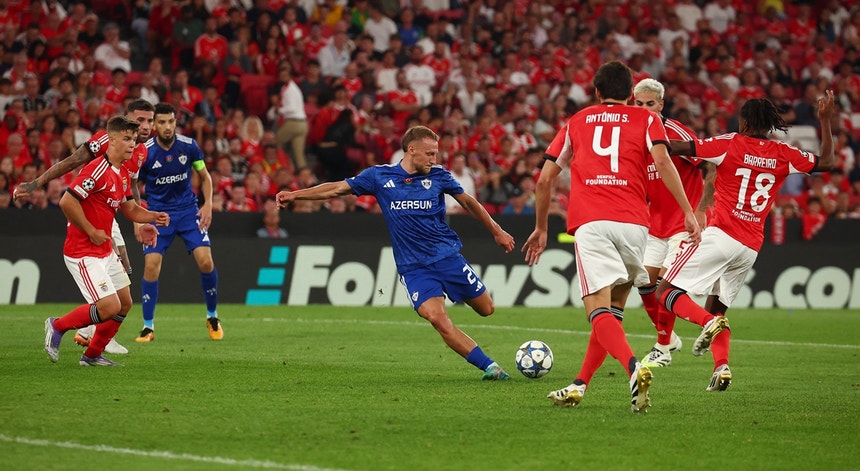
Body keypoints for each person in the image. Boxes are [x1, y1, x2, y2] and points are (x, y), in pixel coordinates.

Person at [521, 61, 702, 413]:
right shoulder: (648, 119)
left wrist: (542, 227)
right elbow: (664, 164)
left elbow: (544, 180)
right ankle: (579, 384)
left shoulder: (577, 121)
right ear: (631, 95)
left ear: (596, 92)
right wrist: (689, 212)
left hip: (593, 223)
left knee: (597, 308)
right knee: (614, 310)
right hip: (636, 225)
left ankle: (634, 369)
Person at [275, 126, 516, 380]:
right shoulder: (379, 177)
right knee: (437, 318)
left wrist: (497, 230)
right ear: (411, 149)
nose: (434, 159)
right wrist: (296, 195)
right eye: (429, 154)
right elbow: (336, 189)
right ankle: (491, 368)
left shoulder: (439, 177)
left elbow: (468, 202)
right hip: (414, 268)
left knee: (486, 309)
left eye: (436, 154)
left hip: (447, 257)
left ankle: (486, 352)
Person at [657, 91, 835, 392]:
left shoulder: (729, 143)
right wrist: (825, 121)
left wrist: (644, 140)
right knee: (717, 310)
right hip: (750, 246)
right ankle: (721, 367)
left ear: (744, 121)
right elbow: (827, 162)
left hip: (721, 234)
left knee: (665, 292)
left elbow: (678, 147)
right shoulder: (784, 153)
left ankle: (706, 324)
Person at [15, 99, 158, 355]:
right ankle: (81, 327)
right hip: (92, 203)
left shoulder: (140, 151)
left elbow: (130, 189)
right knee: (112, 297)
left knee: (124, 291)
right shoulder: (106, 143)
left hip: (113, 205)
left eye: (149, 120)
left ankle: (95, 343)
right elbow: (72, 162)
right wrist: (36, 183)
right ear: (125, 120)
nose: (145, 126)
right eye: (140, 120)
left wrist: (144, 219)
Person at [43, 116, 170, 366]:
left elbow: (130, 209)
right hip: (83, 252)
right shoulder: (96, 169)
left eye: (134, 139)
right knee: (109, 306)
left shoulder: (122, 173)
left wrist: (152, 218)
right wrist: (91, 230)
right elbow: (67, 201)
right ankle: (56, 326)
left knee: (124, 304)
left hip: (104, 250)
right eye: (126, 138)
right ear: (111, 140)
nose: (132, 144)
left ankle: (92, 355)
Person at [631, 78, 716, 368]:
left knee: (665, 288)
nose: (644, 109)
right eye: (638, 103)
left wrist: (702, 209)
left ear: (661, 105)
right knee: (642, 281)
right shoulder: (632, 134)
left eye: (650, 104)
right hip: (653, 226)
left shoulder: (674, 131)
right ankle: (670, 339)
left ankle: (663, 346)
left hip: (683, 223)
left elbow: (712, 163)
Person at [136, 103, 221, 342]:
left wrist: (207, 204)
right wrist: (137, 217)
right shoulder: (146, 152)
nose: (166, 127)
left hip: (187, 211)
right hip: (158, 215)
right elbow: (134, 187)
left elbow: (204, 176)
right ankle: (148, 327)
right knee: (151, 265)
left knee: (206, 260)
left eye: (170, 121)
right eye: (161, 122)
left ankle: (212, 316)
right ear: (154, 125)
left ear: (175, 122)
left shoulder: (189, 146)